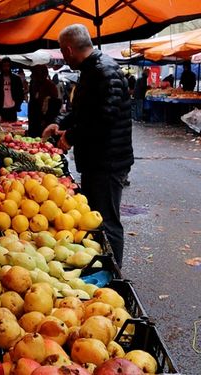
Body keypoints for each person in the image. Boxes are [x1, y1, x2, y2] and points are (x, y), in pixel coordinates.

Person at [42, 24, 133, 268]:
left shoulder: (104, 72)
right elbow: (83, 111)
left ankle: (114, 274)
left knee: (106, 220)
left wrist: (71, 136)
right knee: (93, 217)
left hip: (109, 161)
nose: (63, 55)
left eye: (62, 50)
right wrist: (58, 123)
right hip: (97, 159)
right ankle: (99, 265)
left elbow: (104, 118)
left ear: (69, 49)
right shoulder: (92, 70)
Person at [27, 65, 60, 138]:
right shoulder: (33, 84)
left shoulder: (50, 86)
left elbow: (54, 106)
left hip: (44, 120)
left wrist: (45, 120)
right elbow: (33, 100)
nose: (31, 75)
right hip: (33, 118)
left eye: (34, 73)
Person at [0, 57, 24, 122]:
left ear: (10, 66)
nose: (6, 68)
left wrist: (17, 105)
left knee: (13, 128)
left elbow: (21, 93)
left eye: (8, 66)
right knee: (1, 129)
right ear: (1, 67)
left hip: (12, 108)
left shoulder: (16, 79)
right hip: (1, 109)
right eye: (4, 66)